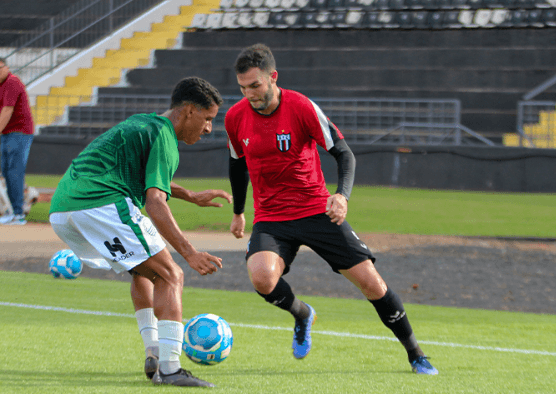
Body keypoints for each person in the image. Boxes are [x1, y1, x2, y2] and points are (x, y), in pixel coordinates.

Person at [225, 44, 438, 375]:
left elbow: (344, 153)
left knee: (372, 285)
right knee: (263, 278)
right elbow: (237, 164)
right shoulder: (235, 117)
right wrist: (239, 211)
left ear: (272, 77)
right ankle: (302, 314)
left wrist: (342, 196)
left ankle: (416, 353)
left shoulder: (301, 107)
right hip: (271, 218)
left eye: (255, 85)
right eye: (242, 87)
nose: (249, 94)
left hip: (316, 211)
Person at [49, 77, 232, 387]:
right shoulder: (165, 137)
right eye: (208, 119)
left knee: (144, 271)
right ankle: (172, 368)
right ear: (188, 111)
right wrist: (189, 253)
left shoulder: (144, 124)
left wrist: (190, 195)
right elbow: (155, 201)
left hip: (64, 207)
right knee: (171, 274)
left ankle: (153, 353)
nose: (208, 129)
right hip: (100, 202)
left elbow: (141, 174)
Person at [0, 57, 34, 225]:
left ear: (6, 67)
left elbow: (7, 111)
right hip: (6, 132)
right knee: (6, 172)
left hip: (19, 132)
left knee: (14, 171)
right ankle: (14, 212)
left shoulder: (12, 82)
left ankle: (18, 213)